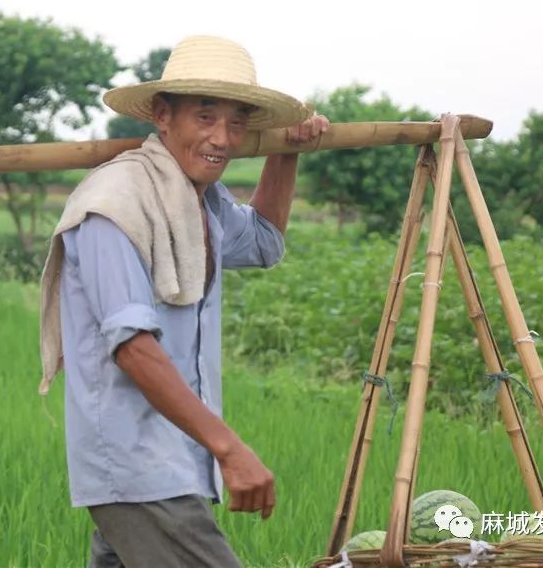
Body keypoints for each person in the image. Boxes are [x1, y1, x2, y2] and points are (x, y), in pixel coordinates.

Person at [38, 35, 330, 567]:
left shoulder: (203, 201)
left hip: (172, 465)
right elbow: (132, 347)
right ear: (161, 115)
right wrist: (231, 448)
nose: (222, 138)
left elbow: (263, 240)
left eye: (237, 123)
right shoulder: (114, 206)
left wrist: (286, 151)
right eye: (205, 117)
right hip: (138, 469)